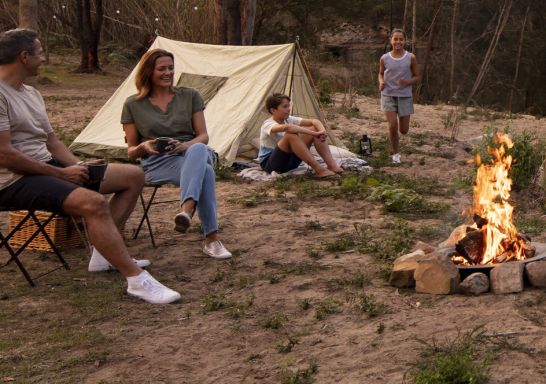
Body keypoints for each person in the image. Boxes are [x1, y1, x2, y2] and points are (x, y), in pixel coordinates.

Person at [0, 29, 181, 304]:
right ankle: (136, 280)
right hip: (12, 179)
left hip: (47, 165)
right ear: (24, 57)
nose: (44, 58)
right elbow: (5, 156)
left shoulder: (31, 93)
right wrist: (61, 174)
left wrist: (77, 166)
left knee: (133, 175)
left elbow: (52, 142)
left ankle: (102, 253)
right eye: (39, 52)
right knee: (94, 203)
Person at [121, 49, 232, 259]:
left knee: (198, 149)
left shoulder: (190, 95)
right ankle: (211, 239)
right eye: (161, 68)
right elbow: (131, 152)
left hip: (191, 153)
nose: (167, 72)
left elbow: (203, 136)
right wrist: (145, 147)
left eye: (170, 68)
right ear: (148, 71)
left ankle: (186, 211)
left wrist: (184, 146)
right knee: (206, 172)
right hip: (157, 163)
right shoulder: (132, 104)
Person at [258, 93, 343, 177]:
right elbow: (288, 128)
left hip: (290, 162)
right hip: (271, 165)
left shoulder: (289, 119)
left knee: (315, 128)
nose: (288, 109)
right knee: (290, 135)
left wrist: (322, 131)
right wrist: (316, 134)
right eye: (285, 107)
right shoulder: (268, 124)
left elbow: (314, 121)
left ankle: (332, 166)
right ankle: (320, 170)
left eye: (288, 106)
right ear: (273, 110)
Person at [378, 28, 420, 164]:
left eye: (401, 39)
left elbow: (417, 76)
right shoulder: (384, 58)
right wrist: (381, 82)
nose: (398, 42)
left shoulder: (411, 57)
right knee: (392, 125)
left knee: (404, 130)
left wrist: (407, 81)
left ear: (405, 41)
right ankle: (396, 154)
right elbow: (380, 73)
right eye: (395, 39)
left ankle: (396, 139)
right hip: (388, 94)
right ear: (391, 40)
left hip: (405, 96)